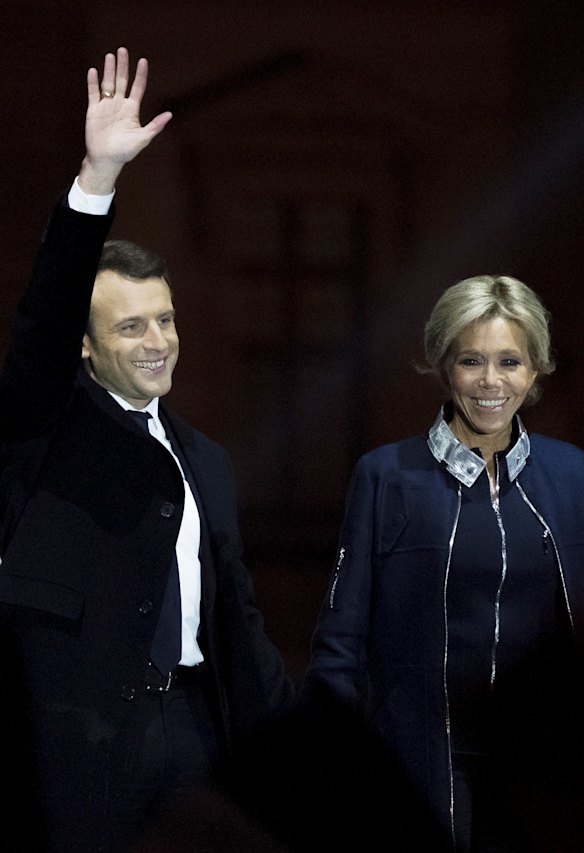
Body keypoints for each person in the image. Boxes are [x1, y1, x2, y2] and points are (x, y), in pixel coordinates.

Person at [0, 48, 292, 852]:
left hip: (194, 732)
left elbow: (237, 617)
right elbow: (42, 328)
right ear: (87, 350)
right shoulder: (45, 429)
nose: (160, 340)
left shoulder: (207, 461)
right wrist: (97, 179)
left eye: (165, 319)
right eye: (132, 325)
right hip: (83, 748)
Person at [304, 275, 584, 852]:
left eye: (510, 361)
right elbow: (340, 643)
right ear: (443, 365)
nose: (491, 382)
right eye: (471, 360)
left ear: (535, 370)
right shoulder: (384, 477)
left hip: (542, 772)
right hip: (416, 761)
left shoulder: (574, 476)